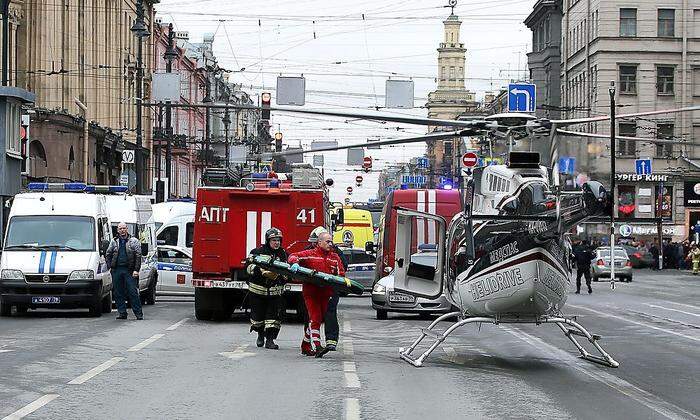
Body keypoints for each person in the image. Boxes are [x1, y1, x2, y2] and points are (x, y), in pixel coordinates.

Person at [288, 231, 345, 358]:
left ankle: (305, 345)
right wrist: (295, 263)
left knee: (317, 318)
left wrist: (338, 284)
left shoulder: (335, 257)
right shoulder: (310, 254)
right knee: (315, 318)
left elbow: (341, 275)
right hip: (311, 292)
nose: (330, 244)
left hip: (326, 293)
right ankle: (318, 346)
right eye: (327, 241)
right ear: (319, 242)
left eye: (331, 241)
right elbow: (293, 256)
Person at [246, 227, 288, 349]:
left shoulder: (283, 254)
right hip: (257, 292)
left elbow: (288, 269)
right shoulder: (257, 252)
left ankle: (270, 340)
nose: (277, 243)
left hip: (275, 293)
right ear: (268, 240)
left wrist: (286, 276)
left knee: (273, 318)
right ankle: (260, 334)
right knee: (257, 318)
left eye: (279, 240)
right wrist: (260, 271)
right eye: (274, 240)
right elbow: (248, 267)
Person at [105, 222, 143, 320]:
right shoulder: (114, 241)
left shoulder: (134, 241)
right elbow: (108, 254)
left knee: (132, 292)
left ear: (127, 229)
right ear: (117, 230)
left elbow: (138, 256)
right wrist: (110, 267)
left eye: (124, 228)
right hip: (117, 270)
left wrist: (136, 270)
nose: (122, 230)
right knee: (118, 292)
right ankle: (122, 313)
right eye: (120, 228)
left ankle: (138, 314)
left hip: (129, 270)